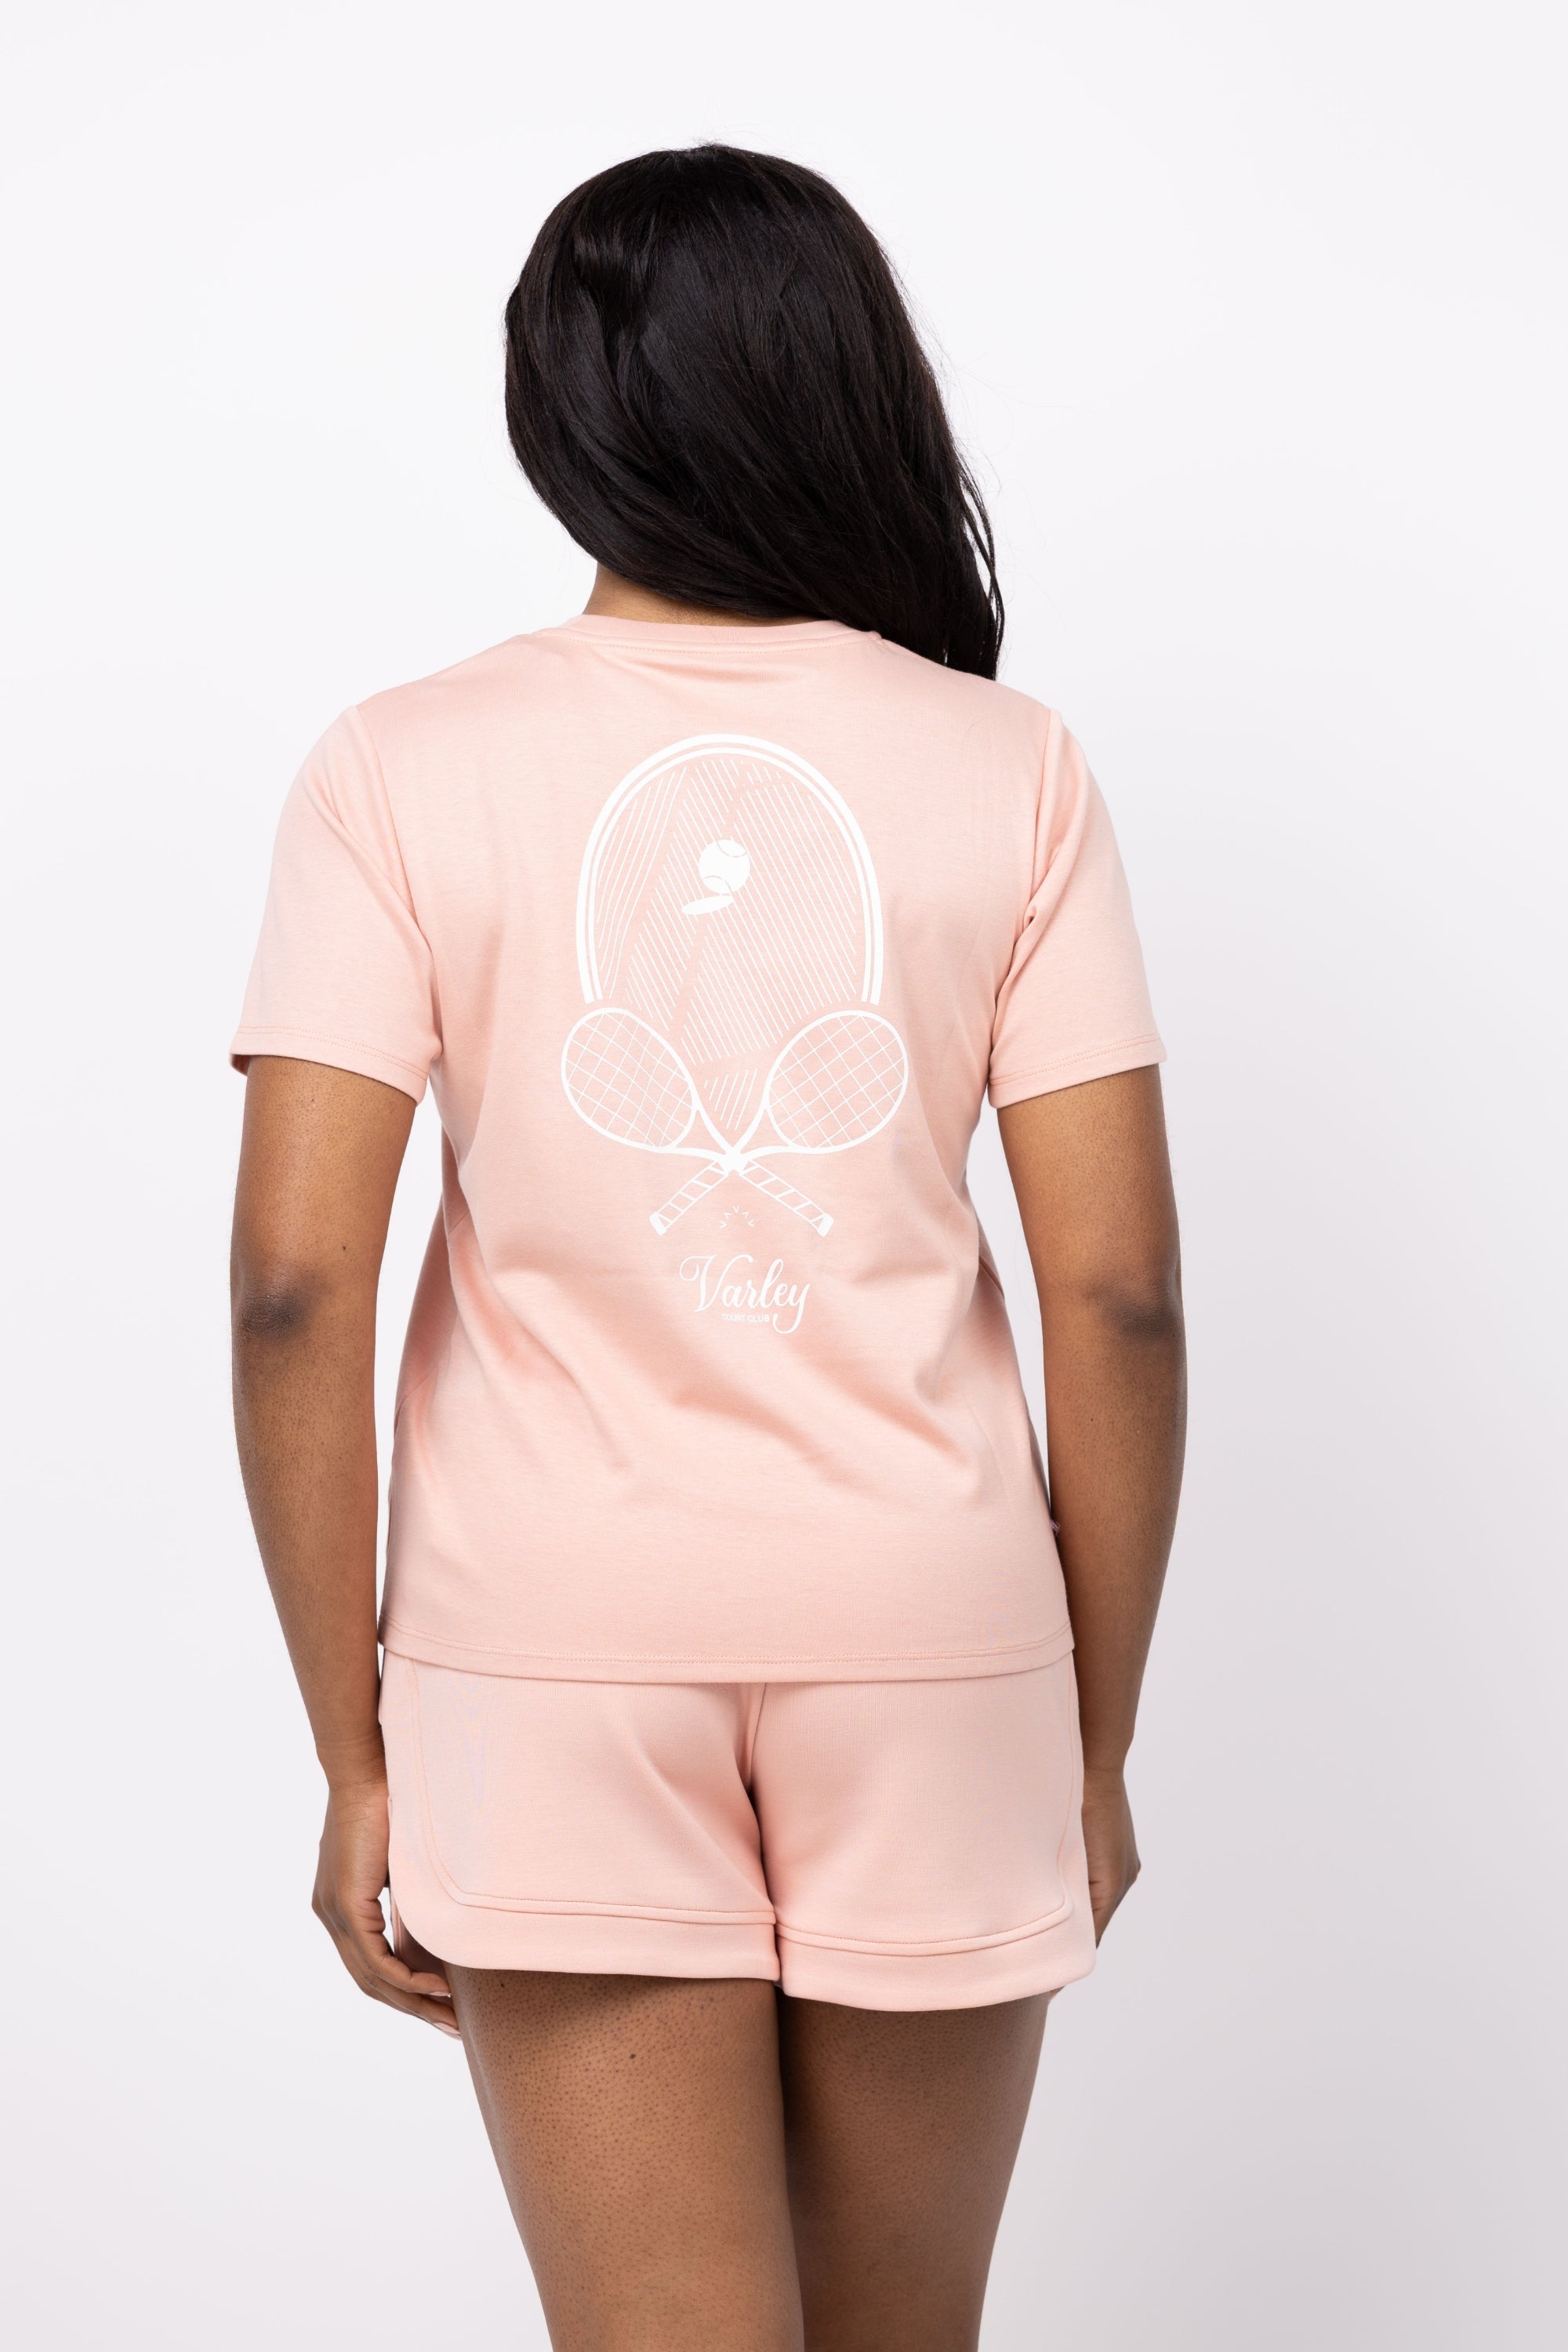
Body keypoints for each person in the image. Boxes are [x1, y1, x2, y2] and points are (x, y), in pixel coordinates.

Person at [229, 144, 1185, 2352]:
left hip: (546, 1646)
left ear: (554, 411)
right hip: (932, 1634)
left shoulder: (397, 769)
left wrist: (354, 1755)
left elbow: (292, 1287)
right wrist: (1095, 1736)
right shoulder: (1013, 770)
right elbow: (1121, 1295)